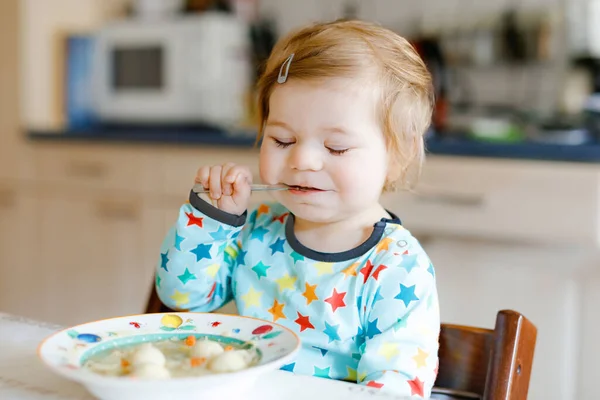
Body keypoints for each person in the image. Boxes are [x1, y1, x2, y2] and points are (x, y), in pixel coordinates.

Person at [156, 18, 440, 397]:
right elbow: (181, 297)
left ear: (397, 158)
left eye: (336, 147)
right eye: (282, 139)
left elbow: (394, 387)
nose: (303, 160)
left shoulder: (397, 268)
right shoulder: (255, 230)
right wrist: (214, 221)